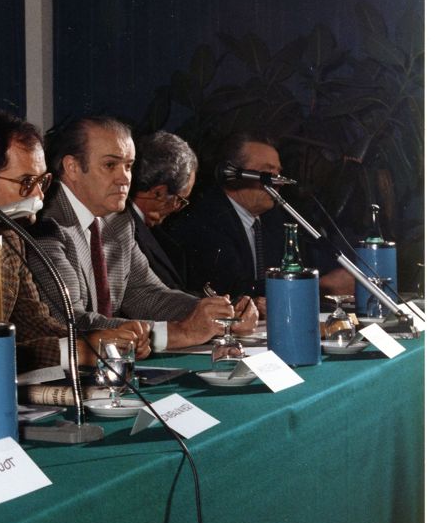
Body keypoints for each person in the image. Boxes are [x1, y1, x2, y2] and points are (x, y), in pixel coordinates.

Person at [0, 111, 151, 394]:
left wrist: (100, 341)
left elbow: (36, 323)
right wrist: (79, 350)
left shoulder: (11, 236)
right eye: (25, 183)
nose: (38, 197)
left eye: (42, 182)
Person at [26, 116, 256, 351]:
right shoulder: (45, 222)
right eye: (110, 165)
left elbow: (147, 294)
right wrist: (180, 333)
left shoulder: (117, 220)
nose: (124, 178)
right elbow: (71, 321)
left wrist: (217, 315)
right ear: (72, 167)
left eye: (128, 166)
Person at [164, 132, 354, 300]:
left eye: (278, 173)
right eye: (267, 172)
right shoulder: (206, 219)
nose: (277, 181)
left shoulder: (276, 220)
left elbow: (299, 269)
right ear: (231, 174)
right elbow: (230, 289)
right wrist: (318, 287)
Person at [127, 130, 198, 291]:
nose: (179, 209)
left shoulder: (151, 232)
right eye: (180, 200)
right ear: (159, 193)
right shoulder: (122, 230)